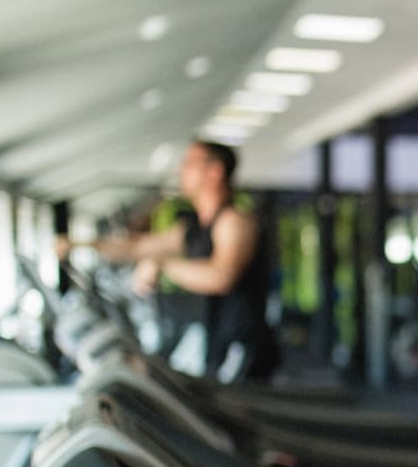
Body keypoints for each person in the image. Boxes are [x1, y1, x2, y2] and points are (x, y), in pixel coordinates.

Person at [67, 139, 279, 383]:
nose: (181, 171)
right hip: (214, 345)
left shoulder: (234, 221)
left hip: (241, 348)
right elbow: (138, 246)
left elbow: (221, 276)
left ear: (215, 171)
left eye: (190, 163)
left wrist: (163, 264)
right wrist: (77, 244)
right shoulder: (194, 228)